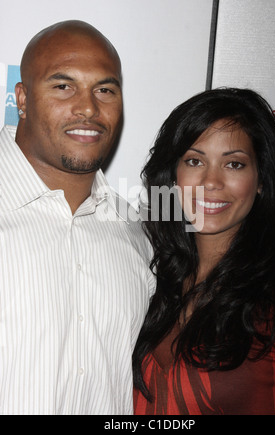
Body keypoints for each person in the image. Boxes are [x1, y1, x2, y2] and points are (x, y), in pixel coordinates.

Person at [0, 20, 155, 415]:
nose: (88, 108)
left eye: (104, 89)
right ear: (21, 97)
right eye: (63, 86)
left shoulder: (137, 234)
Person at [133, 88, 275, 415]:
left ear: (261, 179)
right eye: (195, 161)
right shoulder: (147, 278)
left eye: (234, 164)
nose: (210, 181)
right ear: (173, 178)